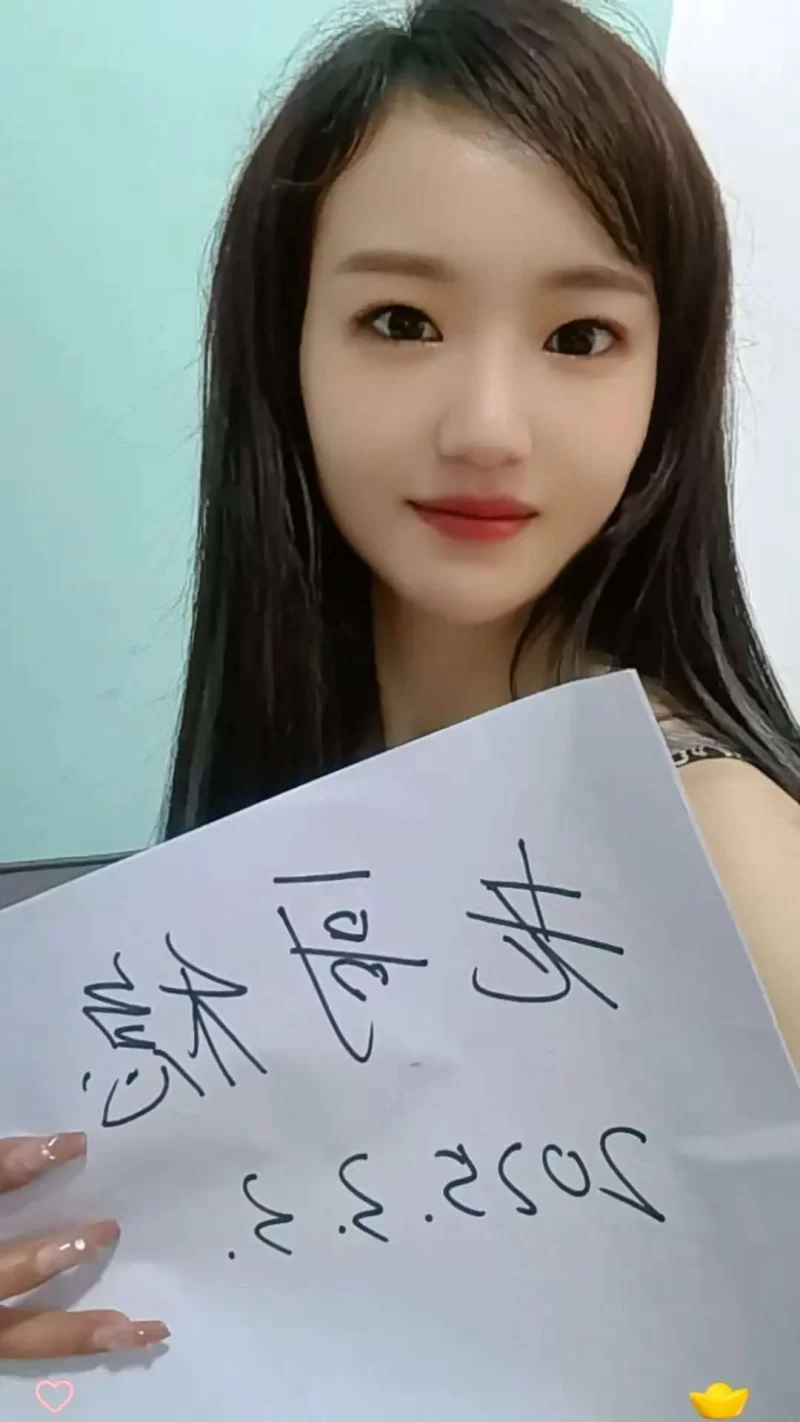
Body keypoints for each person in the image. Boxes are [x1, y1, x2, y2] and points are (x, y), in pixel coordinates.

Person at [2, 0, 799, 1366]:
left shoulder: (725, 853)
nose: (486, 427)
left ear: (667, 382)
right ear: (286, 350)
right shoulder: (269, 840)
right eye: (400, 319)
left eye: (580, 337)